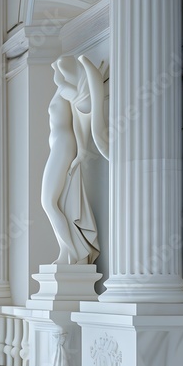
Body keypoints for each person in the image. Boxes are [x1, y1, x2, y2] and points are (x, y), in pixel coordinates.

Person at [41, 55, 108, 265]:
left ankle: (70, 254)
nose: (56, 70)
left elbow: (79, 122)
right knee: (56, 202)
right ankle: (68, 252)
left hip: (63, 146)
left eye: (61, 68)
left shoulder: (66, 89)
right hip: (60, 146)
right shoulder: (62, 89)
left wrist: (80, 151)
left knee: (48, 202)